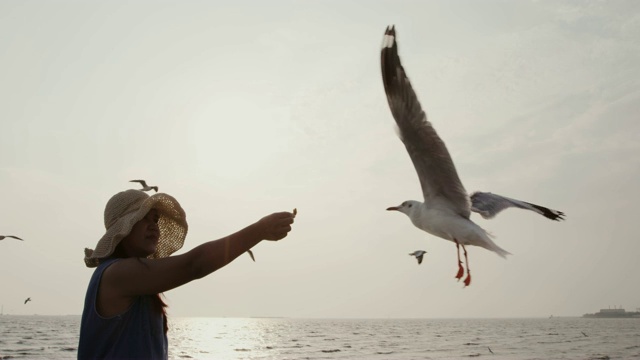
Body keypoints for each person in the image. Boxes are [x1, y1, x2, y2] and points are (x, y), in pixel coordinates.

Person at [78, 189, 295, 359]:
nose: (154, 226)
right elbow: (194, 265)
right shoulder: (116, 274)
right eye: (143, 218)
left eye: (155, 219)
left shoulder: (139, 281)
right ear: (122, 230)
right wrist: (259, 230)